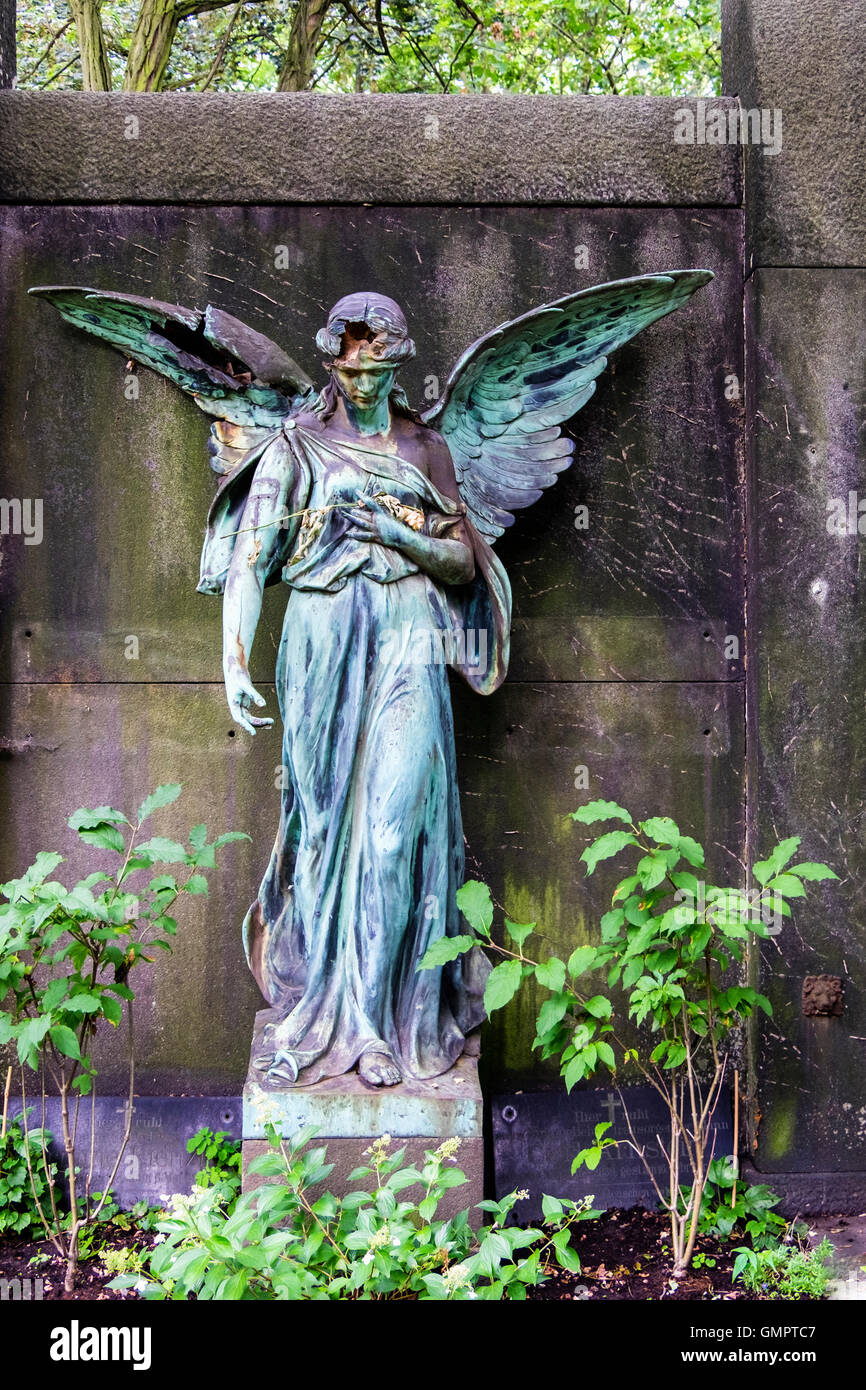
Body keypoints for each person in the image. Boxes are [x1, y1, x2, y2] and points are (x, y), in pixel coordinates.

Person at [213, 293, 510, 1087]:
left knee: (389, 837)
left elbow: (461, 563)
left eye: (377, 362)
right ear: (331, 361)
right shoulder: (292, 447)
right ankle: (320, 1013)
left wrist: (401, 534)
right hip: (320, 641)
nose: (362, 376)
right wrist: (234, 661)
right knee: (319, 831)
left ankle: (378, 1027)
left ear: (399, 361)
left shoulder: (426, 449)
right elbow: (251, 560)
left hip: (411, 637)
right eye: (350, 361)